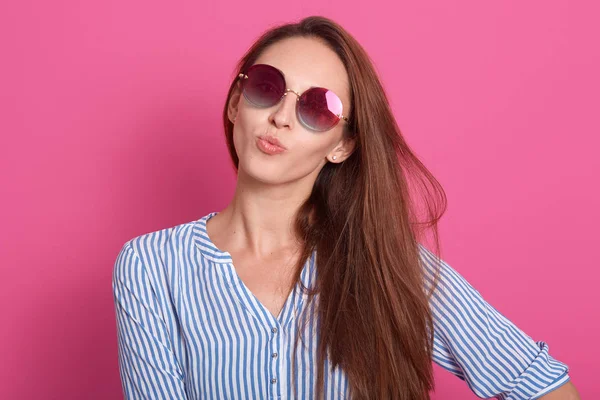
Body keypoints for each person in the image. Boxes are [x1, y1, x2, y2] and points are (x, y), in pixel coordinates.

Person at [111, 16, 580, 400]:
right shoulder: (152, 267)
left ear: (343, 145)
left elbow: (542, 384)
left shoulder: (385, 266)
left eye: (317, 108)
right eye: (266, 86)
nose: (280, 117)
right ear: (237, 102)